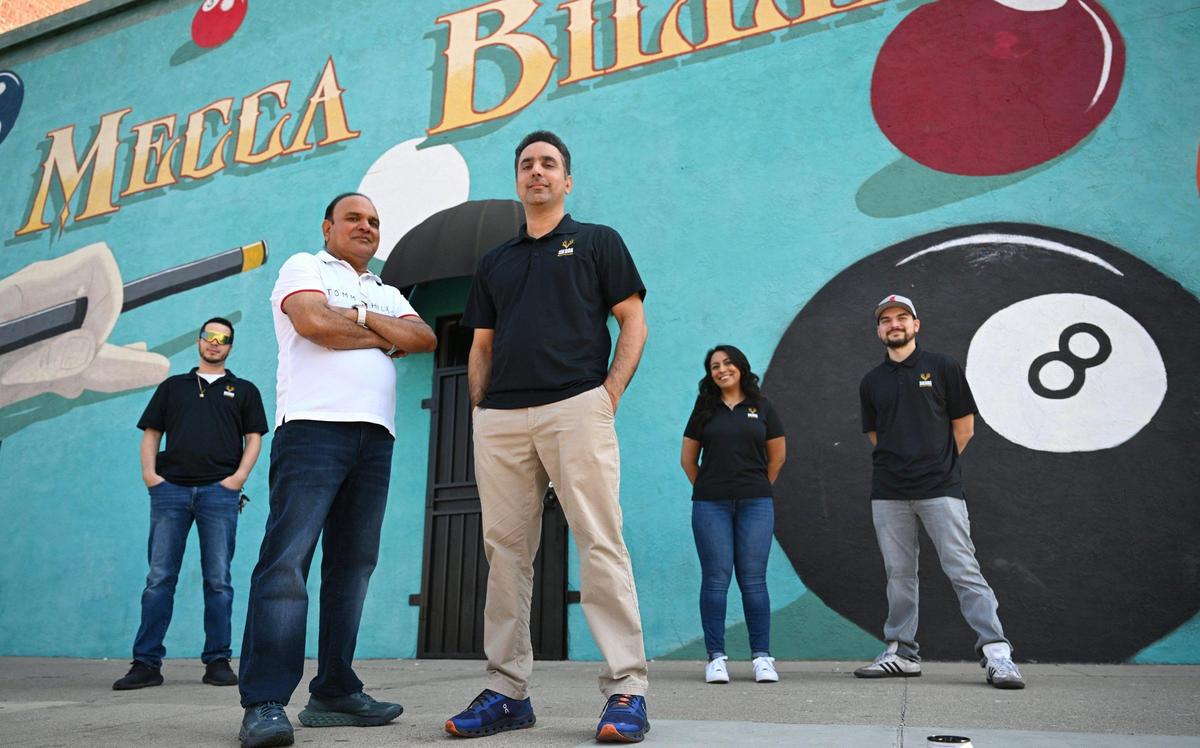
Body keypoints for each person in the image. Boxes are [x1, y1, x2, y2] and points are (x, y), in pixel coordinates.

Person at [445, 131, 650, 743]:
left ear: (566, 180)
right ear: (517, 180)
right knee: (505, 555)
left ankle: (626, 690)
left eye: (549, 164)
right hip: (502, 418)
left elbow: (632, 319)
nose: (537, 172)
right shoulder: (495, 261)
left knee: (600, 543)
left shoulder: (596, 241)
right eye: (527, 165)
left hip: (576, 406)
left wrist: (607, 394)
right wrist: (479, 407)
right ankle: (508, 690)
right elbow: (480, 343)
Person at [236, 193, 437, 748]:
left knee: (353, 567)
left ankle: (334, 690)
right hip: (311, 431)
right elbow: (311, 323)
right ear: (328, 227)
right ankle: (266, 701)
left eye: (374, 222)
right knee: (287, 562)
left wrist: (360, 315)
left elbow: (423, 339)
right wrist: (381, 336)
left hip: (375, 438)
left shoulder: (387, 290)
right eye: (354, 219)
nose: (366, 227)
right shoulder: (305, 266)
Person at [854, 294, 1025, 689]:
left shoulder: (943, 367)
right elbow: (875, 435)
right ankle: (902, 653)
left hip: (940, 489)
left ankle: (997, 654)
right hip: (889, 492)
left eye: (902, 318)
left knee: (963, 570)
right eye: (886, 320)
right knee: (899, 574)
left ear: (916, 325)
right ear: (879, 330)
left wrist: (936, 464)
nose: (894, 325)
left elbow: (963, 427)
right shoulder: (871, 382)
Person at [113, 317, 268, 691]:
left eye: (223, 339)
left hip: (220, 493)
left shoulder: (243, 390)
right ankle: (146, 664)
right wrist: (151, 476)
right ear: (199, 341)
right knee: (159, 579)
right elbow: (152, 432)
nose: (215, 343)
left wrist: (237, 480)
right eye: (209, 337)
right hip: (171, 492)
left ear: (231, 346)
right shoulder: (173, 387)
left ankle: (217, 661)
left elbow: (254, 437)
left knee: (218, 581)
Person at [681, 345, 786, 685]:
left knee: (754, 580)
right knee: (715, 579)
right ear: (710, 374)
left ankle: (762, 658)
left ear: (741, 366)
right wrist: (712, 488)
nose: (722, 369)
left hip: (756, 503)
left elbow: (778, 457)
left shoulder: (763, 407)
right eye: (714, 366)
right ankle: (715, 658)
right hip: (711, 504)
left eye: (727, 363)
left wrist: (754, 486)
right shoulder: (704, 409)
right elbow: (687, 460)